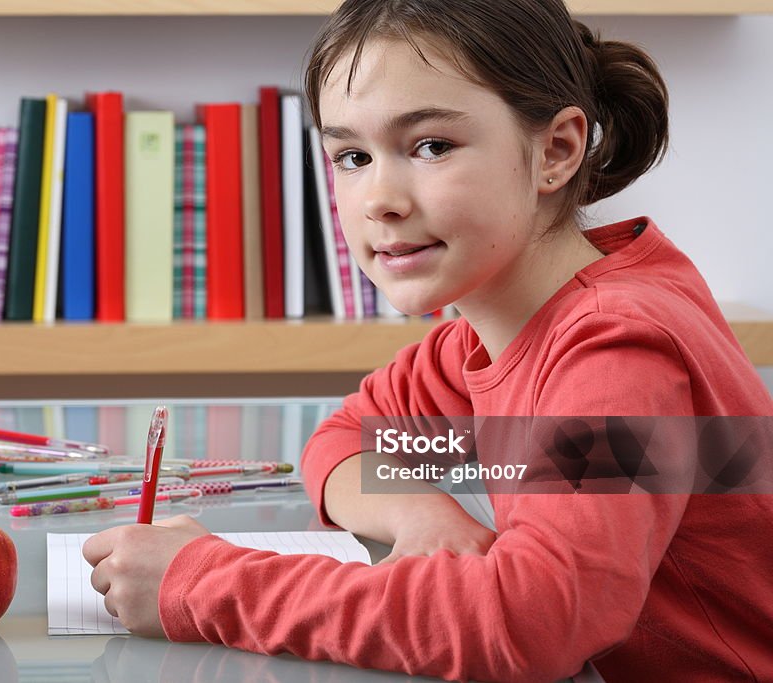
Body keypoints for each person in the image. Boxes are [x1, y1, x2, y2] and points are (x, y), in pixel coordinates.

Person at [83, 1, 773, 681]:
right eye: (351, 155)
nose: (379, 197)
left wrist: (205, 583)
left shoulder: (615, 350)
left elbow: (533, 622)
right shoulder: (490, 334)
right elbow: (348, 439)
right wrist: (420, 513)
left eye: (431, 145)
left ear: (555, 151)